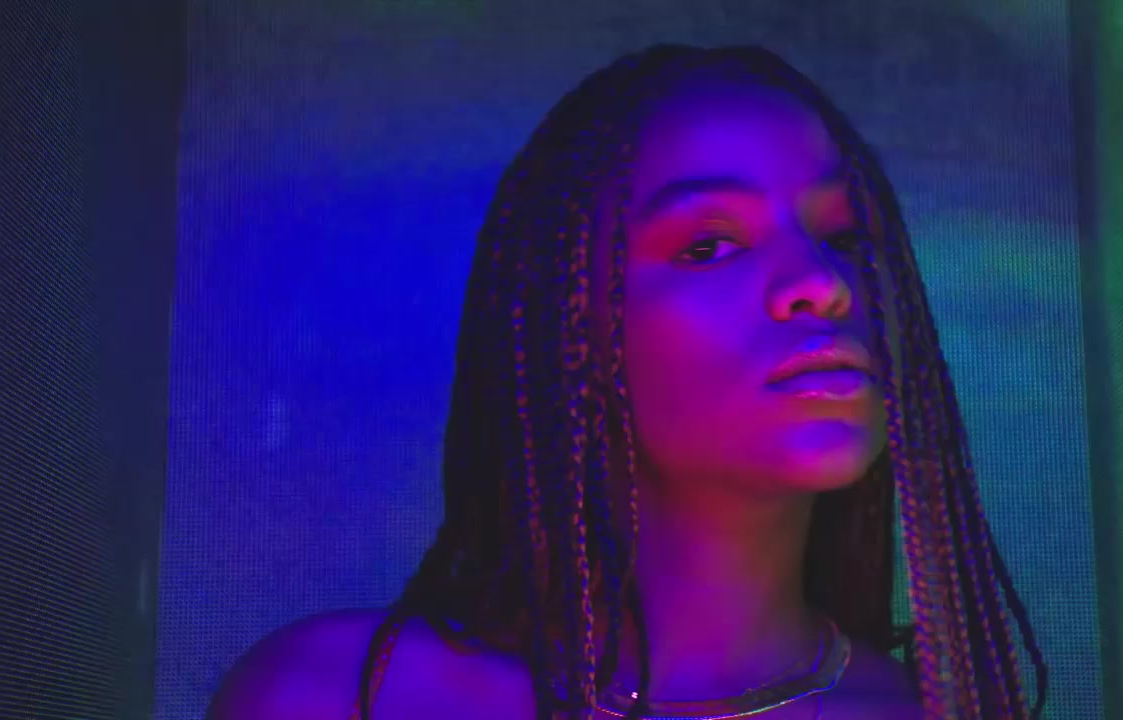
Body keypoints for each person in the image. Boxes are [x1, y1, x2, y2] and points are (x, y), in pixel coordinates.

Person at [207, 44, 1047, 720]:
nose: (822, 283)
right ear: (571, 325)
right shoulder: (334, 701)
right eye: (708, 245)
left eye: (846, 239)